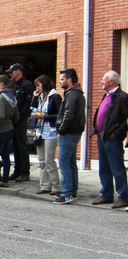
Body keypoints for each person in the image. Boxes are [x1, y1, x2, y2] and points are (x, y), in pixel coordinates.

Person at [91, 70, 128, 208]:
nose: (101, 82)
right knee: (104, 168)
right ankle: (106, 194)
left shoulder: (122, 97)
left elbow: (126, 120)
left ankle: (124, 196)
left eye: (103, 79)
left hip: (112, 138)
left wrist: (116, 133)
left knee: (117, 167)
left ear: (112, 81)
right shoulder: (107, 96)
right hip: (102, 136)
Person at [54, 68, 86, 204]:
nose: (60, 82)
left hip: (68, 133)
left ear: (69, 80)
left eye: (62, 79)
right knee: (71, 163)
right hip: (74, 131)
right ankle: (72, 190)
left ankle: (67, 193)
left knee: (64, 163)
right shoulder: (77, 93)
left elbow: (69, 114)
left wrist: (61, 130)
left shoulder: (72, 94)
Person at [31, 75, 61, 196]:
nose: (37, 87)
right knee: (41, 160)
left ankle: (56, 185)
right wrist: (34, 97)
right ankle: (44, 185)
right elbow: (32, 109)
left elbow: (59, 114)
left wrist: (45, 117)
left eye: (38, 85)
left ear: (44, 84)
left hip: (51, 131)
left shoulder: (55, 97)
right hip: (40, 131)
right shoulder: (41, 97)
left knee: (49, 160)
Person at [6, 63, 35, 182]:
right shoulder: (15, 85)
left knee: (22, 146)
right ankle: (17, 170)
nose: (10, 74)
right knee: (15, 146)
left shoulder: (27, 85)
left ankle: (25, 172)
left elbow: (28, 105)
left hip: (21, 119)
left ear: (18, 71)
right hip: (14, 119)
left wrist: (18, 116)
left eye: (12, 72)